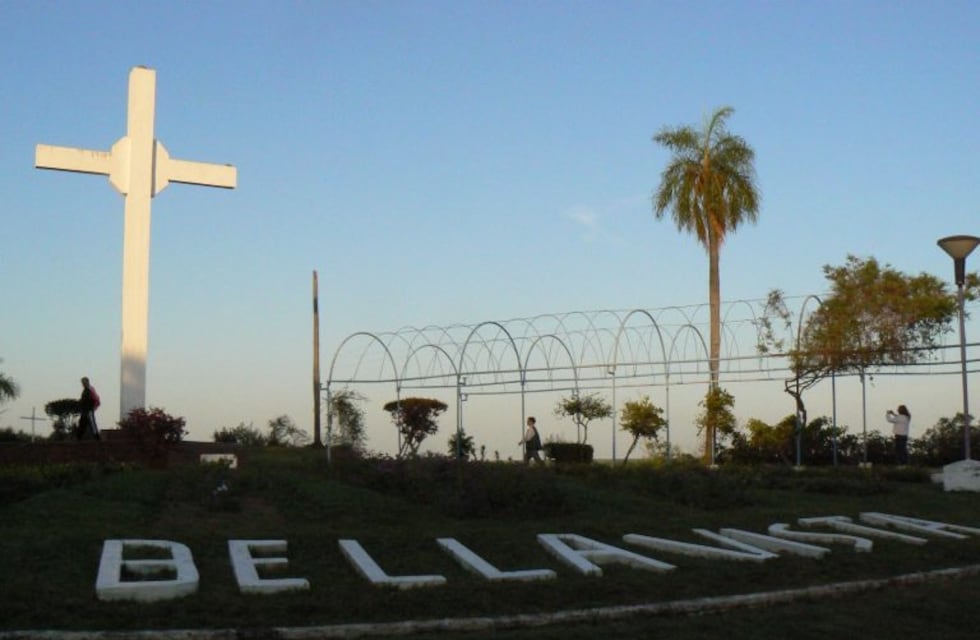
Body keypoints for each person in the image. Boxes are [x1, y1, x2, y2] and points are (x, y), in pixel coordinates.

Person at [77, 376, 101, 441]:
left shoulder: (90, 390)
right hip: (85, 410)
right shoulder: (86, 390)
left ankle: (97, 437)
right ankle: (79, 437)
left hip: (89, 409)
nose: (83, 384)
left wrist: (93, 407)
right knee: (82, 423)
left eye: (84, 382)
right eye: (82, 382)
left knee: (92, 423)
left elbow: (96, 399)